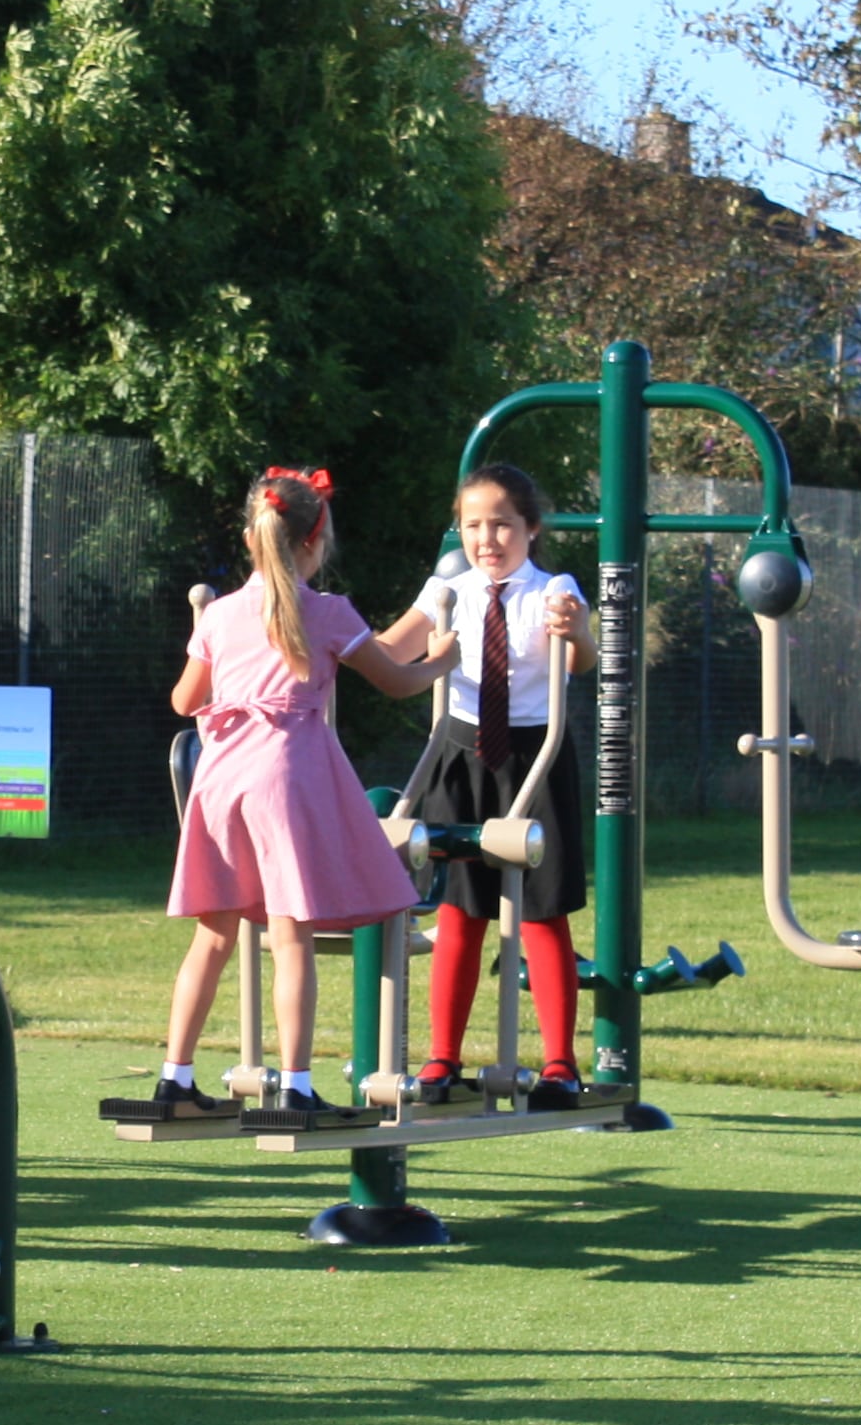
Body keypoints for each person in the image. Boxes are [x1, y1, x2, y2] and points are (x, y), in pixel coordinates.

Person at [147, 469, 431, 1119]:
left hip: (220, 780)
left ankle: (174, 1078)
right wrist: (442, 656)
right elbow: (395, 680)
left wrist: (224, 669)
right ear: (316, 540)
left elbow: (184, 700)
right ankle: (297, 1087)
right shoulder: (327, 613)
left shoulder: (220, 615)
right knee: (291, 933)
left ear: (252, 540)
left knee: (212, 935)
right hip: (283, 777)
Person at [378, 460, 592, 1109]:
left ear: (529, 528)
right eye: (473, 525)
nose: (487, 539)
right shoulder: (449, 591)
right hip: (461, 753)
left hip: (535, 754)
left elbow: (579, 654)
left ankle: (560, 1063)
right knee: (460, 913)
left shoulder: (551, 587)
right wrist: (328, 641)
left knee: (542, 914)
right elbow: (388, 650)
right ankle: (443, 1059)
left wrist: (576, 630)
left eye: (502, 524)